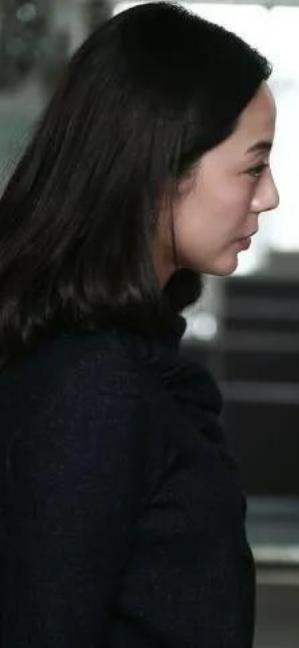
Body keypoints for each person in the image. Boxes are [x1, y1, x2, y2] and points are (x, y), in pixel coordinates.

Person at [0, 3, 278, 647]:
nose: (269, 196)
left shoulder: (112, 357)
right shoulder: (91, 384)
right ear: (163, 167)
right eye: (253, 166)